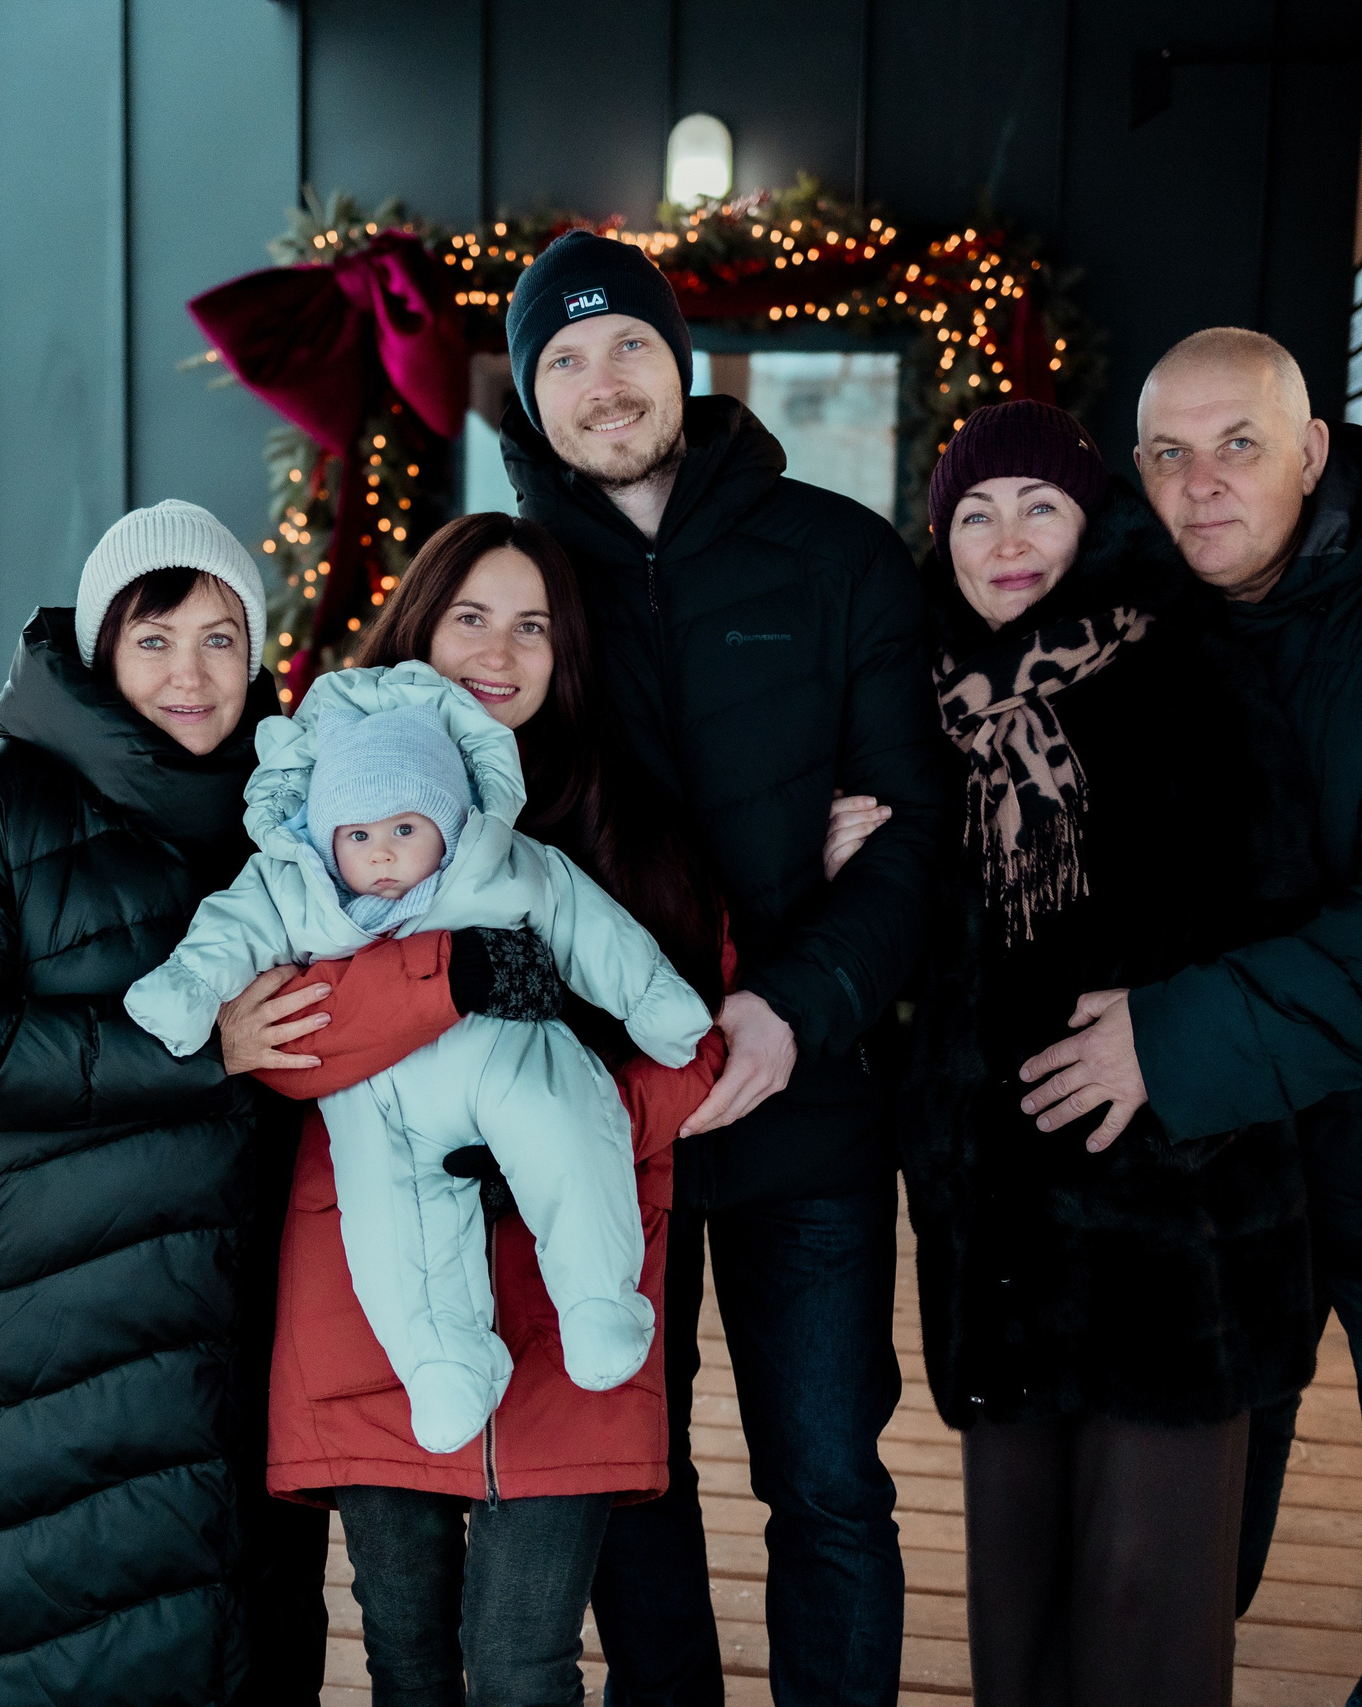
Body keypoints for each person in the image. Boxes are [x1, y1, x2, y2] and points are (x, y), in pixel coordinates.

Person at [0, 499, 557, 1704]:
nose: (189, 676)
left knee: (223, 1639)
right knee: (35, 1631)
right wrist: (199, 1054)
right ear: (100, 648)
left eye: (220, 640)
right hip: (38, 1327)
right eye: (154, 639)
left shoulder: (293, 817)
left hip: (231, 1325)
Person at [1016, 328, 1362, 1706]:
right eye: (1166, 453)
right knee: (1206, 1508)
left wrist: (1173, 1039)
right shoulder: (1132, 615)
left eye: (1239, 446)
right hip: (1238, 1168)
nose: (1201, 484)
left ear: (1315, 450)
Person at [500, 230, 954, 1706]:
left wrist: (794, 1000)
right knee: (634, 1471)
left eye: (624, 342)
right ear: (531, 395)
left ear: (677, 358)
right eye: (560, 359)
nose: (600, 381)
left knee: (825, 1474)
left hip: (802, 1096)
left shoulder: (836, 557)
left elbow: (916, 836)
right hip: (602, 1109)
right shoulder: (513, 590)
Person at [249, 512, 736, 1706]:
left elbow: (695, 1047)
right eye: (469, 615)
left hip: (575, 1306)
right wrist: (455, 978)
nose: (497, 652)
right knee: (408, 1660)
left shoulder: (630, 829)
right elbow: (282, 1040)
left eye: (533, 627)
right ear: (417, 621)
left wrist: (564, 1137)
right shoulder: (326, 815)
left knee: (524, 1669)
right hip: (375, 1297)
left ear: (569, 655)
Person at [898, 401, 1322, 1707]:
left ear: (1095, 523)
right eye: (974, 512)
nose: (1005, 539)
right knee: (1018, 1594)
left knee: (1151, 1591)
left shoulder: (1189, 662)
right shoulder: (921, 701)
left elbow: (1283, 903)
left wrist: (1170, 1044)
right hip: (1000, 1216)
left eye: (1039, 506)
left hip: (1171, 1202)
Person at [124, 658, 712, 1452]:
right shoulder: (296, 884)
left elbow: (591, 928)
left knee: (569, 1137)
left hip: (509, 1055)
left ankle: (601, 1303)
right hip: (378, 1096)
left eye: (407, 828)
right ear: (327, 837)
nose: (385, 854)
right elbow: (229, 931)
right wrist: (187, 990)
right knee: (392, 1228)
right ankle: (445, 1363)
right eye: (359, 836)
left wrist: (658, 1006)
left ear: (449, 820)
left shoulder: (499, 863)